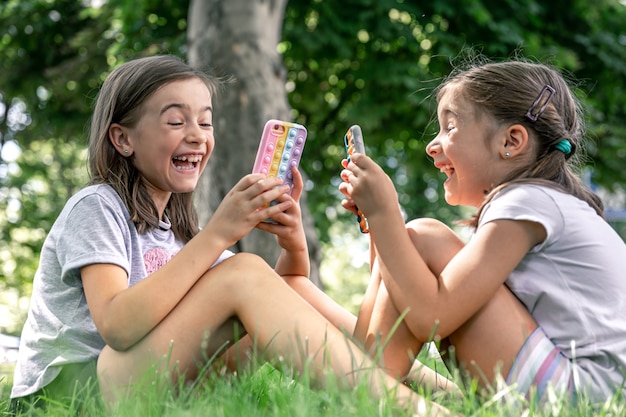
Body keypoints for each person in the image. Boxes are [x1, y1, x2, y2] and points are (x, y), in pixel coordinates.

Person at [8, 54, 449, 416]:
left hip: (144, 385)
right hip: (74, 396)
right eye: (176, 122)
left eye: (205, 121)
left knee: (269, 280)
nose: (197, 136)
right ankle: (408, 410)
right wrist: (219, 233)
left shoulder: (178, 229)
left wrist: (293, 244)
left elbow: (279, 294)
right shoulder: (98, 207)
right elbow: (119, 327)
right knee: (241, 273)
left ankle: (442, 393)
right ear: (123, 139)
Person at [285, 59, 626, 405]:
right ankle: (358, 390)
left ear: (511, 141)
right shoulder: (542, 203)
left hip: (580, 394)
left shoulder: (527, 201)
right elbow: (401, 296)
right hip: (582, 388)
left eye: (450, 127)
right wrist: (379, 227)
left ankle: (361, 396)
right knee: (416, 241)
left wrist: (385, 212)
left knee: (424, 236)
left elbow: (431, 318)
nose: (432, 145)